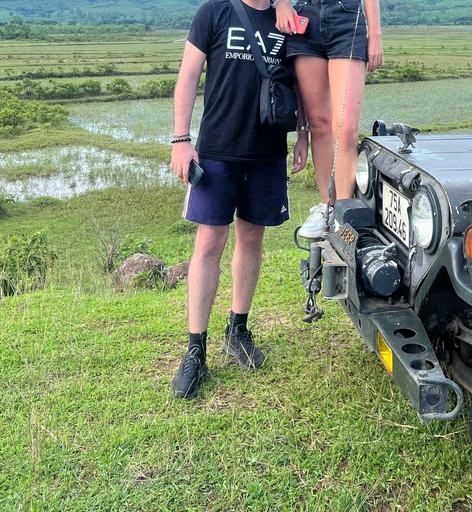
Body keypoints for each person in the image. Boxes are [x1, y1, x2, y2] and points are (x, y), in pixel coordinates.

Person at [169, 0, 309, 398]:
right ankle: (196, 349)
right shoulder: (213, 13)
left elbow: (297, 82)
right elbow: (188, 76)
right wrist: (181, 141)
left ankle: (238, 329)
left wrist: (303, 135)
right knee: (208, 244)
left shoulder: (285, 19)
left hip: (266, 154)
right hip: (217, 151)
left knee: (252, 240)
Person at [275, 0, 383, 238]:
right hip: (305, 16)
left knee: (345, 128)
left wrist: (374, 34)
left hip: (346, 17)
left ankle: (345, 215)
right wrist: (281, 3)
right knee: (319, 125)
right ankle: (327, 208)